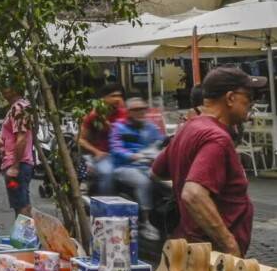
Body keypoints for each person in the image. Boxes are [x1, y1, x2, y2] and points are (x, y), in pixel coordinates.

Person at [152, 66, 264, 256]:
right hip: (213, 254)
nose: (251, 103)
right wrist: (229, 244)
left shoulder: (188, 128)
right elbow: (193, 194)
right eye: (248, 97)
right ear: (230, 98)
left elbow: (156, 171)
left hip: (193, 246)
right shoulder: (216, 137)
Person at [109, 97, 165, 240]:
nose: (140, 112)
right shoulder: (119, 127)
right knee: (143, 183)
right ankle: (146, 222)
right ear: (128, 112)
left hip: (147, 165)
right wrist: (132, 156)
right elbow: (116, 148)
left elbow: (160, 142)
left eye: (142, 109)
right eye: (136, 110)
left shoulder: (150, 127)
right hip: (125, 167)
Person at [79, 82, 126, 195]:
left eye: (119, 96)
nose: (117, 99)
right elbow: (81, 139)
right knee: (107, 173)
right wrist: (97, 152)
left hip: (123, 155)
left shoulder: (125, 114)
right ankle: (106, 205)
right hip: (103, 156)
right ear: (103, 98)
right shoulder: (93, 116)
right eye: (113, 96)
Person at [0, 85, 35, 217]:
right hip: (17, 164)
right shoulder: (20, 107)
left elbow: (21, 139)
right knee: (20, 204)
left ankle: (25, 236)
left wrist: (15, 166)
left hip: (17, 165)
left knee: (22, 206)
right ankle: (23, 236)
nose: (3, 91)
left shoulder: (19, 108)